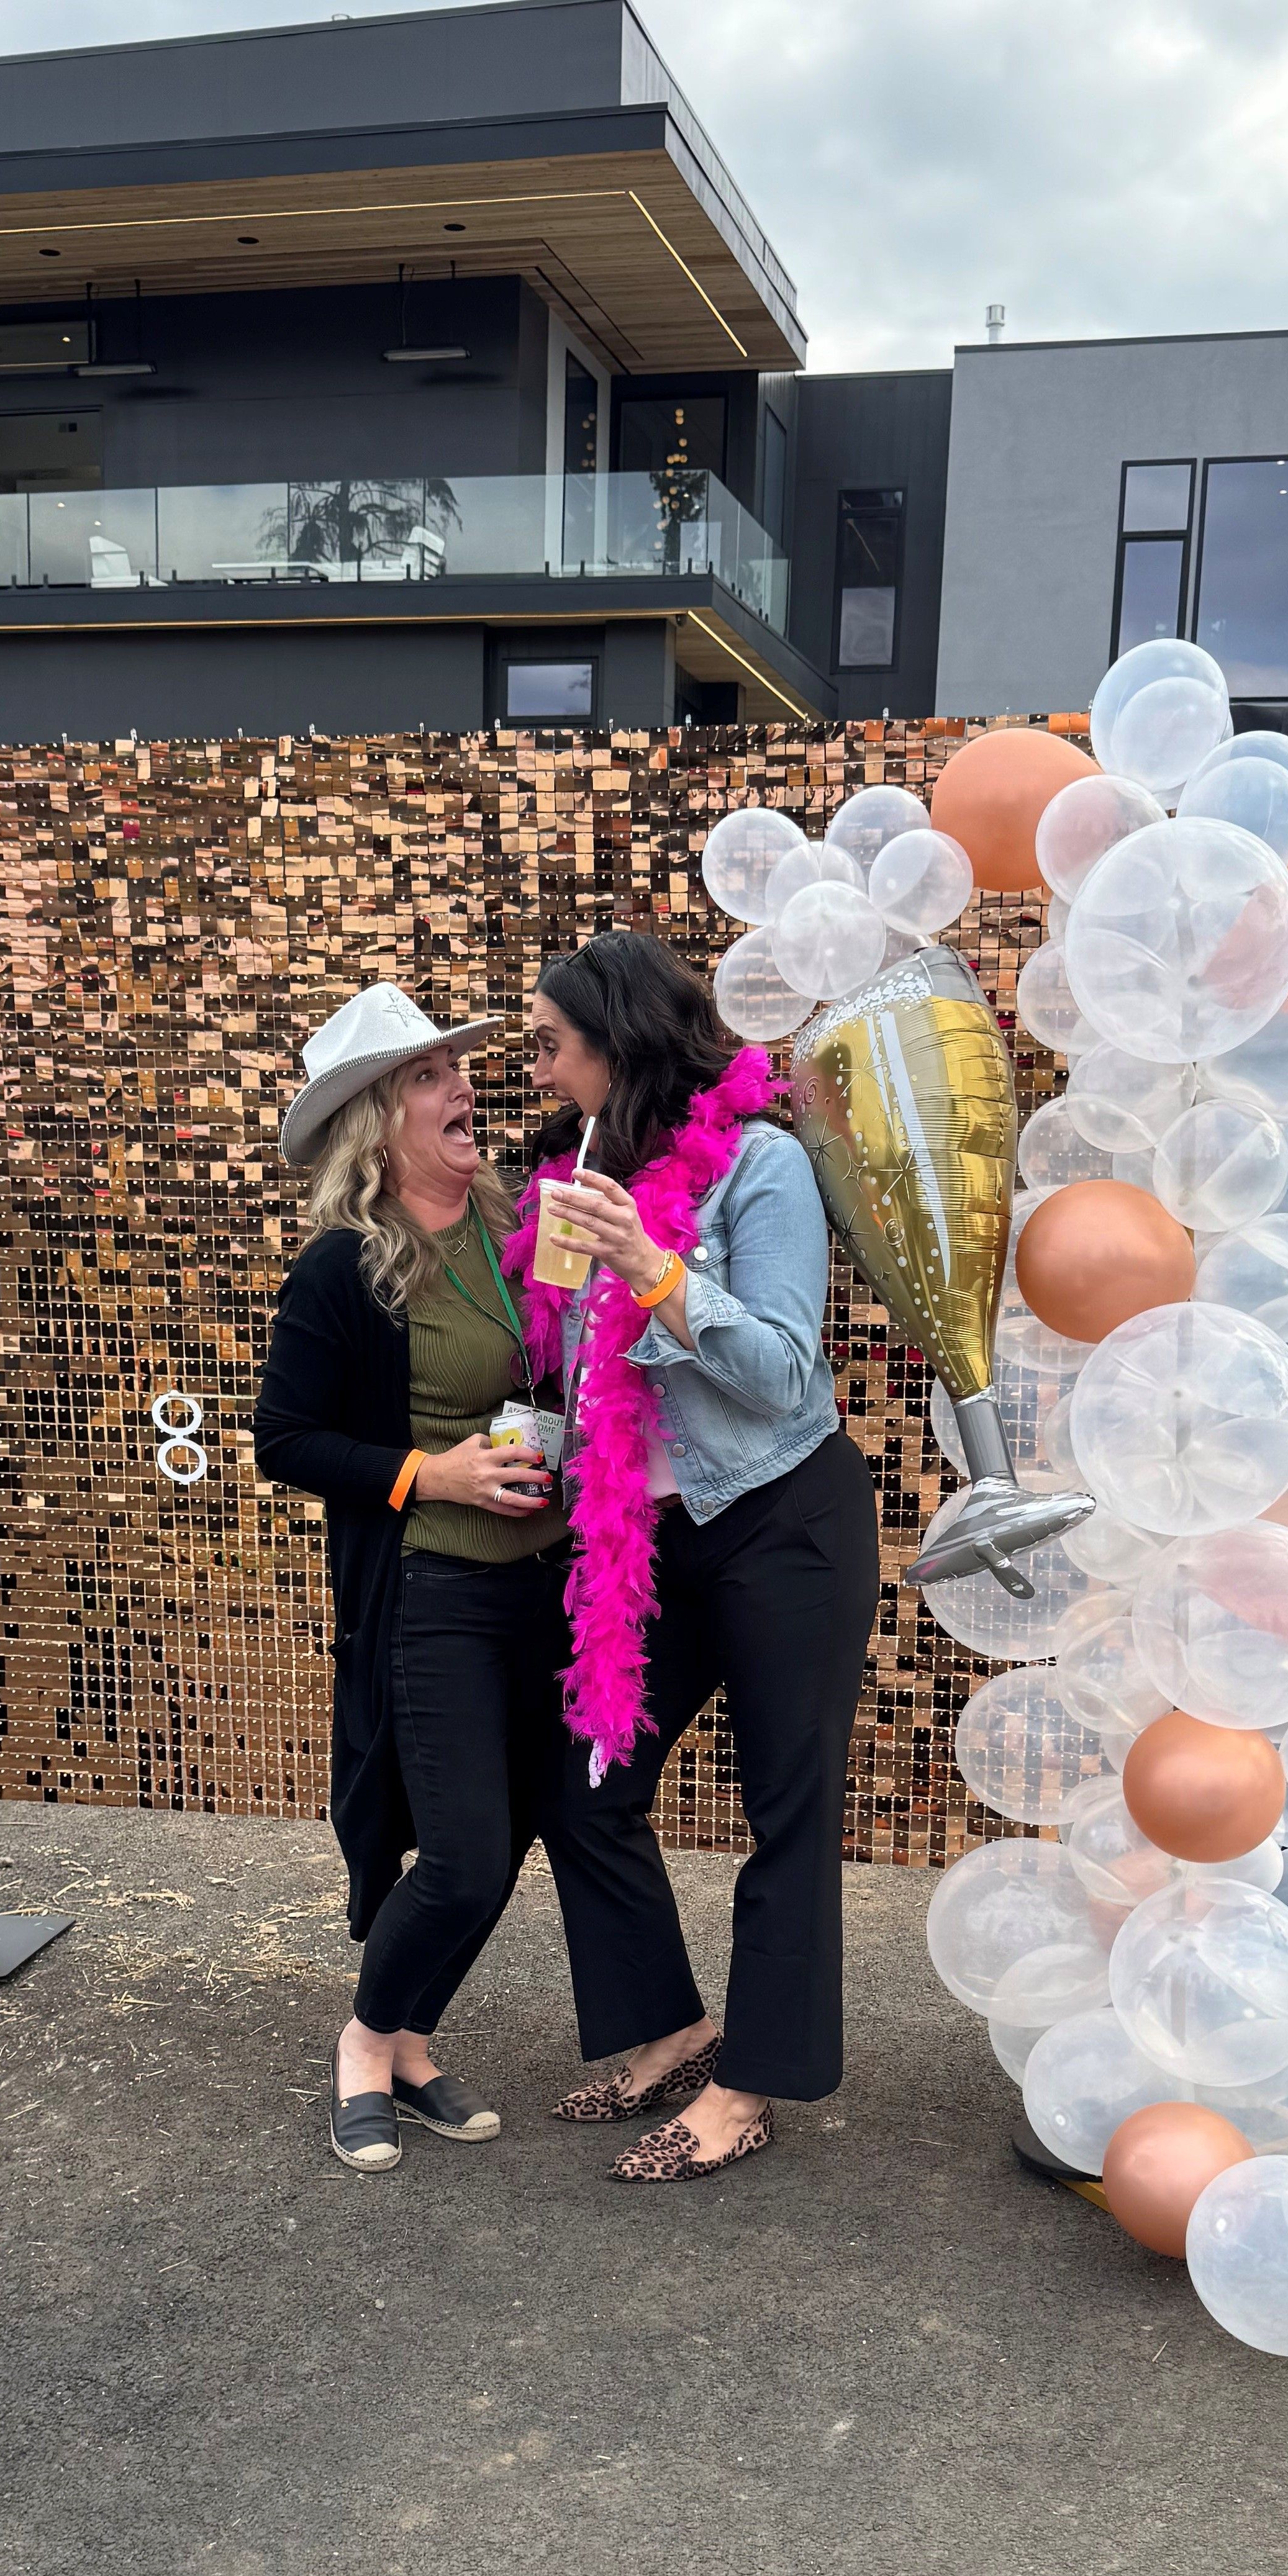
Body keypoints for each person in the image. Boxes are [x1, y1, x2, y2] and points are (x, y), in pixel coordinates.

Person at [509, 927, 882, 2182]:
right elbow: (568, 1367)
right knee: (588, 1787)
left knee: (788, 1807)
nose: (544, 1071)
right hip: (650, 1537)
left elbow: (784, 1373)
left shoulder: (760, 1166)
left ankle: (751, 2086)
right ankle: (671, 2031)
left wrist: (657, 1272)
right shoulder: (584, 1169)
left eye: (556, 1047)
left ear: (620, 1042)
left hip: (783, 1516)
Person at [253, 982, 567, 2172]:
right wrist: (425, 1476)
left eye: (457, 1070)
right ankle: (363, 2043)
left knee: (516, 1836)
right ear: (379, 1121)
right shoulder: (346, 1270)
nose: (463, 1087)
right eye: (431, 1078)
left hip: (540, 1586)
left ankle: (416, 2043)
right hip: (431, 1593)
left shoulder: (515, 1230)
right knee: (464, 1852)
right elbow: (284, 1438)